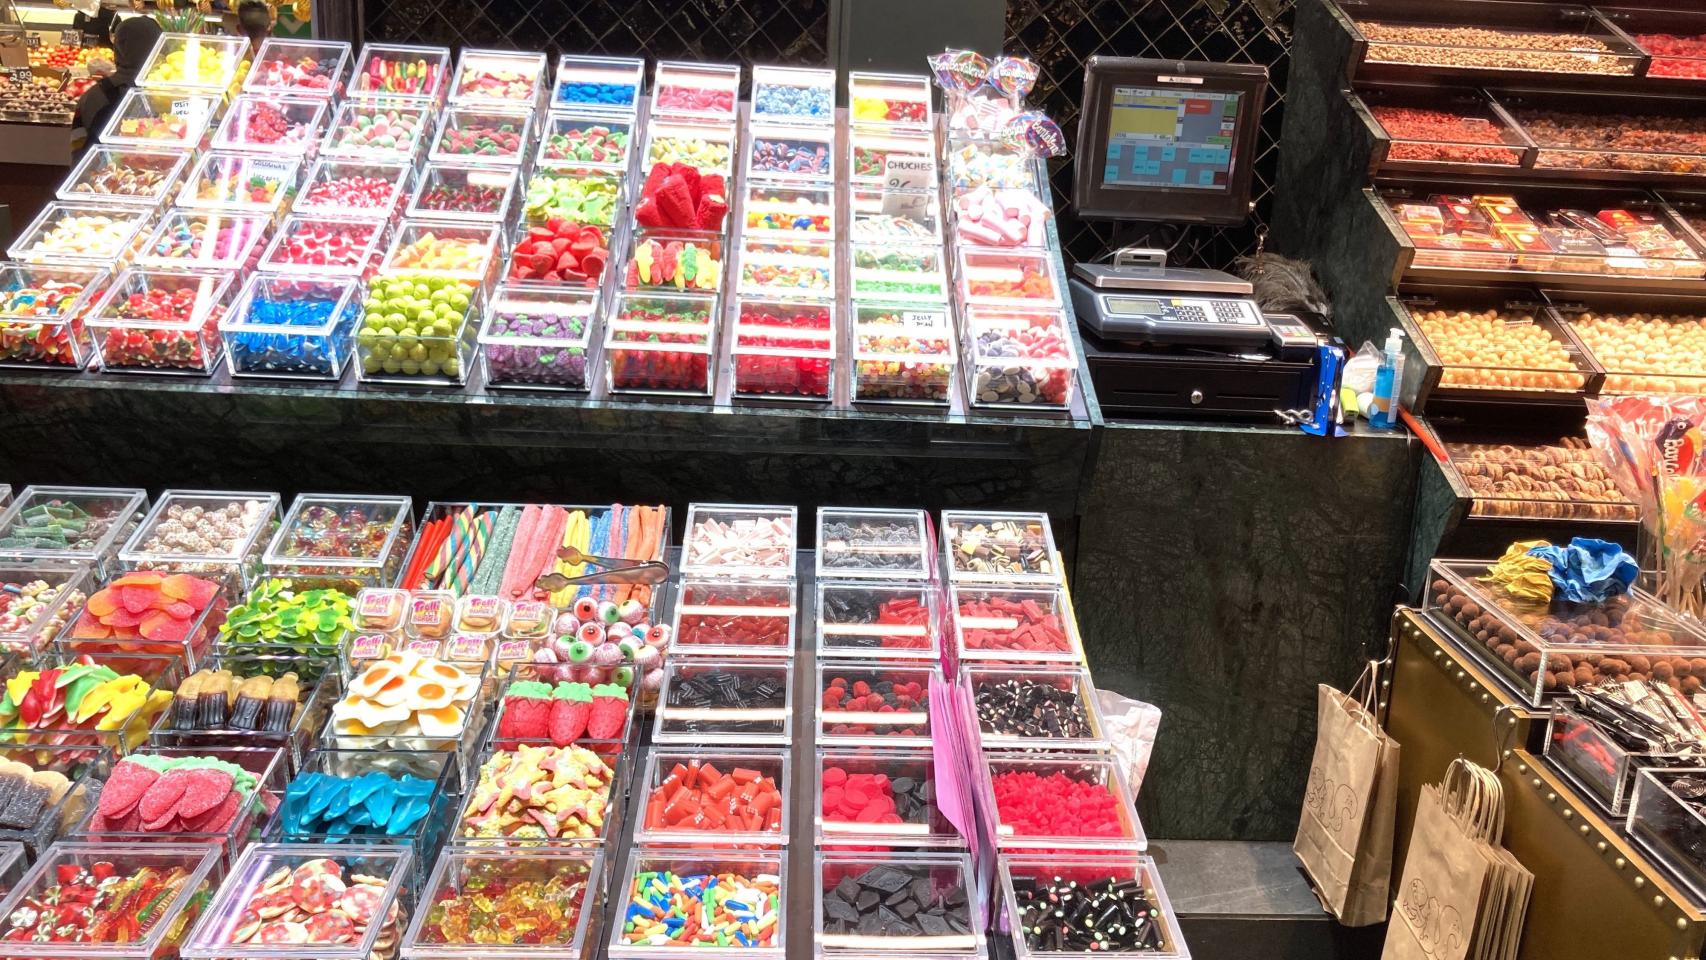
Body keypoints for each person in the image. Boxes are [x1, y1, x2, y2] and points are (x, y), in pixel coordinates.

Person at [72, 15, 162, 146]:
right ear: (157, 49)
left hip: (100, 166)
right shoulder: (166, 95)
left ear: (117, 49)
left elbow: (77, 146)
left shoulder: (92, 96)